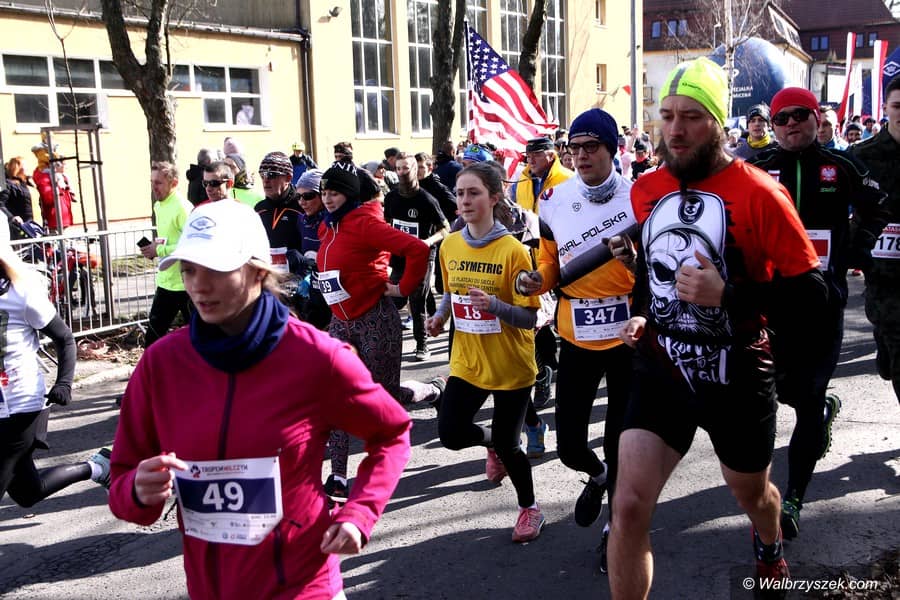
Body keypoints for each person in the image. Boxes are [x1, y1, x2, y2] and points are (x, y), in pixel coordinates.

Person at [107, 200, 411, 600]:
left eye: (215, 270)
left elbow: (392, 434)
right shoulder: (161, 364)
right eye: (189, 269)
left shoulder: (316, 357)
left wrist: (360, 513)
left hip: (303, 587)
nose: (198, 285)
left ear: (258, 271)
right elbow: (123, 476)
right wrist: (136, 490)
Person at [609, 57, 828, 597]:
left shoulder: (761, 193)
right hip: (663, 365)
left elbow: (813, 298)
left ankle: (769, 542)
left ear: (717, 123)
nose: (675, 130)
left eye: (691, 117)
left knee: (752, 494)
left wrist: (726, 295)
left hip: (738, 371)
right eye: (667, 116)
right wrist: (642, 309)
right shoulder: (646, 189)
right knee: (629, 505)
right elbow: (653, 271)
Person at [750, 87, 887, 540]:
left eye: (800, 115)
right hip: (770, 303)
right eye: (782, 118)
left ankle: (793, 498)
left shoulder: (841, 165)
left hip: (822, 303)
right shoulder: (756, 167)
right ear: (773, 125)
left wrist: (858, 246)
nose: (791, 124)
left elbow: (878, 206)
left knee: (808, 399)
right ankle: (820, 409)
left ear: (816, 119)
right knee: (781, 394)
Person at [516, 108, 637, 571]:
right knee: (568, 446)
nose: (582, 156)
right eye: (575, 148)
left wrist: (633, 263)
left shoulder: (637, 198)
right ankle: (598, 477)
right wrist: (538, 280)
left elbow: (656, 270)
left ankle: (615, 530)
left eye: (592, 147)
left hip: (626, 339)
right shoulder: (554, 199)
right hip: (577, 337)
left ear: (613, 149)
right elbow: (550, 262)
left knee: (620, 443)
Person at [426, 162, 545, 543]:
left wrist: (494, 306)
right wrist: (440, 317)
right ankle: (490, 442)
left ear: (494, 198)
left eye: (473, 193)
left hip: (510, 364)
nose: (464, 200)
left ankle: (530, 509)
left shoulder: (513, 251)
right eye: (460, 193)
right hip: (468, 361)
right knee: (451, 433)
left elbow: (530, 317)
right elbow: (450, 291)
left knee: (512, 447)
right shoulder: (450, 244)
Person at [317, 162, 429, 502]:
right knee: (336, 398)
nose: (327, 199)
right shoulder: (328, 226)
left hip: (375, 320)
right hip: (340, 323)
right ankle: (338, 477)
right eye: (324, 193)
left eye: (334, 193)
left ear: (349, 194)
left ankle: (431, 392)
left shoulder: (364, 223)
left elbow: (418, 249)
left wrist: (402, 288)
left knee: (381, 400)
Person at [0, 220, 110, 507]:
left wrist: (64, 383)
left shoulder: (20, 293)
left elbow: (64, 338)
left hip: (19, 407)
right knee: (28, 493)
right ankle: (97, 467)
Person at [850, 75, 900, 404]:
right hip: (884, 283)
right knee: (891, 360)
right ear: (885, 108)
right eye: (898, 106)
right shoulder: (862, 156)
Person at [513, 136, 573, 407]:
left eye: (535, 156)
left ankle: (561, 365)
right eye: (527, 156)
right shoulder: (523, 180)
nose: (530, 161)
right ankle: (546, 369)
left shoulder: (567, 180)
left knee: (560, 318)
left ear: (550, 155)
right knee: (538, 318)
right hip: (532, 259)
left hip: (565, 260)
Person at [383, 153, 449, 361]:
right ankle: (386, 342)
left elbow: (445, 229)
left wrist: (426, 242)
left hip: (421, 257)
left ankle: (422, 345)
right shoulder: (391, 197)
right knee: (392, 301)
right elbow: (386, 223)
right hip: (399, 258)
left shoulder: (426, 199)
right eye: (398, 169)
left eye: (406, 168)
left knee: (417, 299)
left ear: (416, 170)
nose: (402, 173)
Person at [141, 162, 193, 348]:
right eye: (152, 182)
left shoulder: (183, 207)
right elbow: (169, 238)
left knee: (201, 340)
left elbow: (191, 243)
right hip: (165, 283)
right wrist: (153, 248)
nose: (154, 187)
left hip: (186, 285)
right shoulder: (158, 205)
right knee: (152, 340)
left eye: (159, 183)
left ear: (174, 183)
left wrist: (160, 250)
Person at [293, 169, 331, 330]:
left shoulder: (332, 222)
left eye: (308, 196)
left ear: (322, 195)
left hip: (335, 293)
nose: (302, 202)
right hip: (314, 291)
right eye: (298, 196)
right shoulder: (302, 220)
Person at [254, 152, 304, 274]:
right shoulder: (259, 208)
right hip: (268, 276)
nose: (265, 180)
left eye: (271, 175)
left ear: (288, 178)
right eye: (262, 175)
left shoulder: (302, 205)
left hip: (296, 277)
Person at [31, 140, 74, 233]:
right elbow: (48, 198)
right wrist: (59, 188)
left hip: (62, 218)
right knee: (55, 239)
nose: (65, 166)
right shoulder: (43, 175)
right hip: (54, 219)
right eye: (63, 164)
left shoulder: (60, 175)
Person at [2, 157, 34, 237]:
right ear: (18, 168)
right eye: (25, 165)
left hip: (34, 224)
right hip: (21, 227)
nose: (28, 168)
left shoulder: (27, 183)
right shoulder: (9, 185)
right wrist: (12, 217)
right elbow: (1, 204)